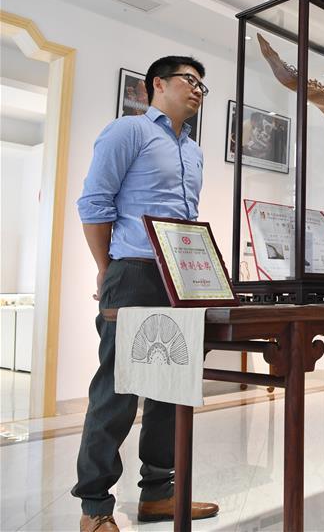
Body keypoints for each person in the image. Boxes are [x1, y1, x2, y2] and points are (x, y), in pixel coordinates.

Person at [73, 56, 218, 532]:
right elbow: (95, 203)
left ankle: (159, 493)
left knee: (171, 389)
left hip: (181, 275)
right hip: (133, 270)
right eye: (189, 80)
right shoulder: (128, 131)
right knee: (117, 391)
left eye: (202, 86)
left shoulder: (194, 151)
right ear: (158, 83)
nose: (197, 90)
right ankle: (94, 507)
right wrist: (106, 268)